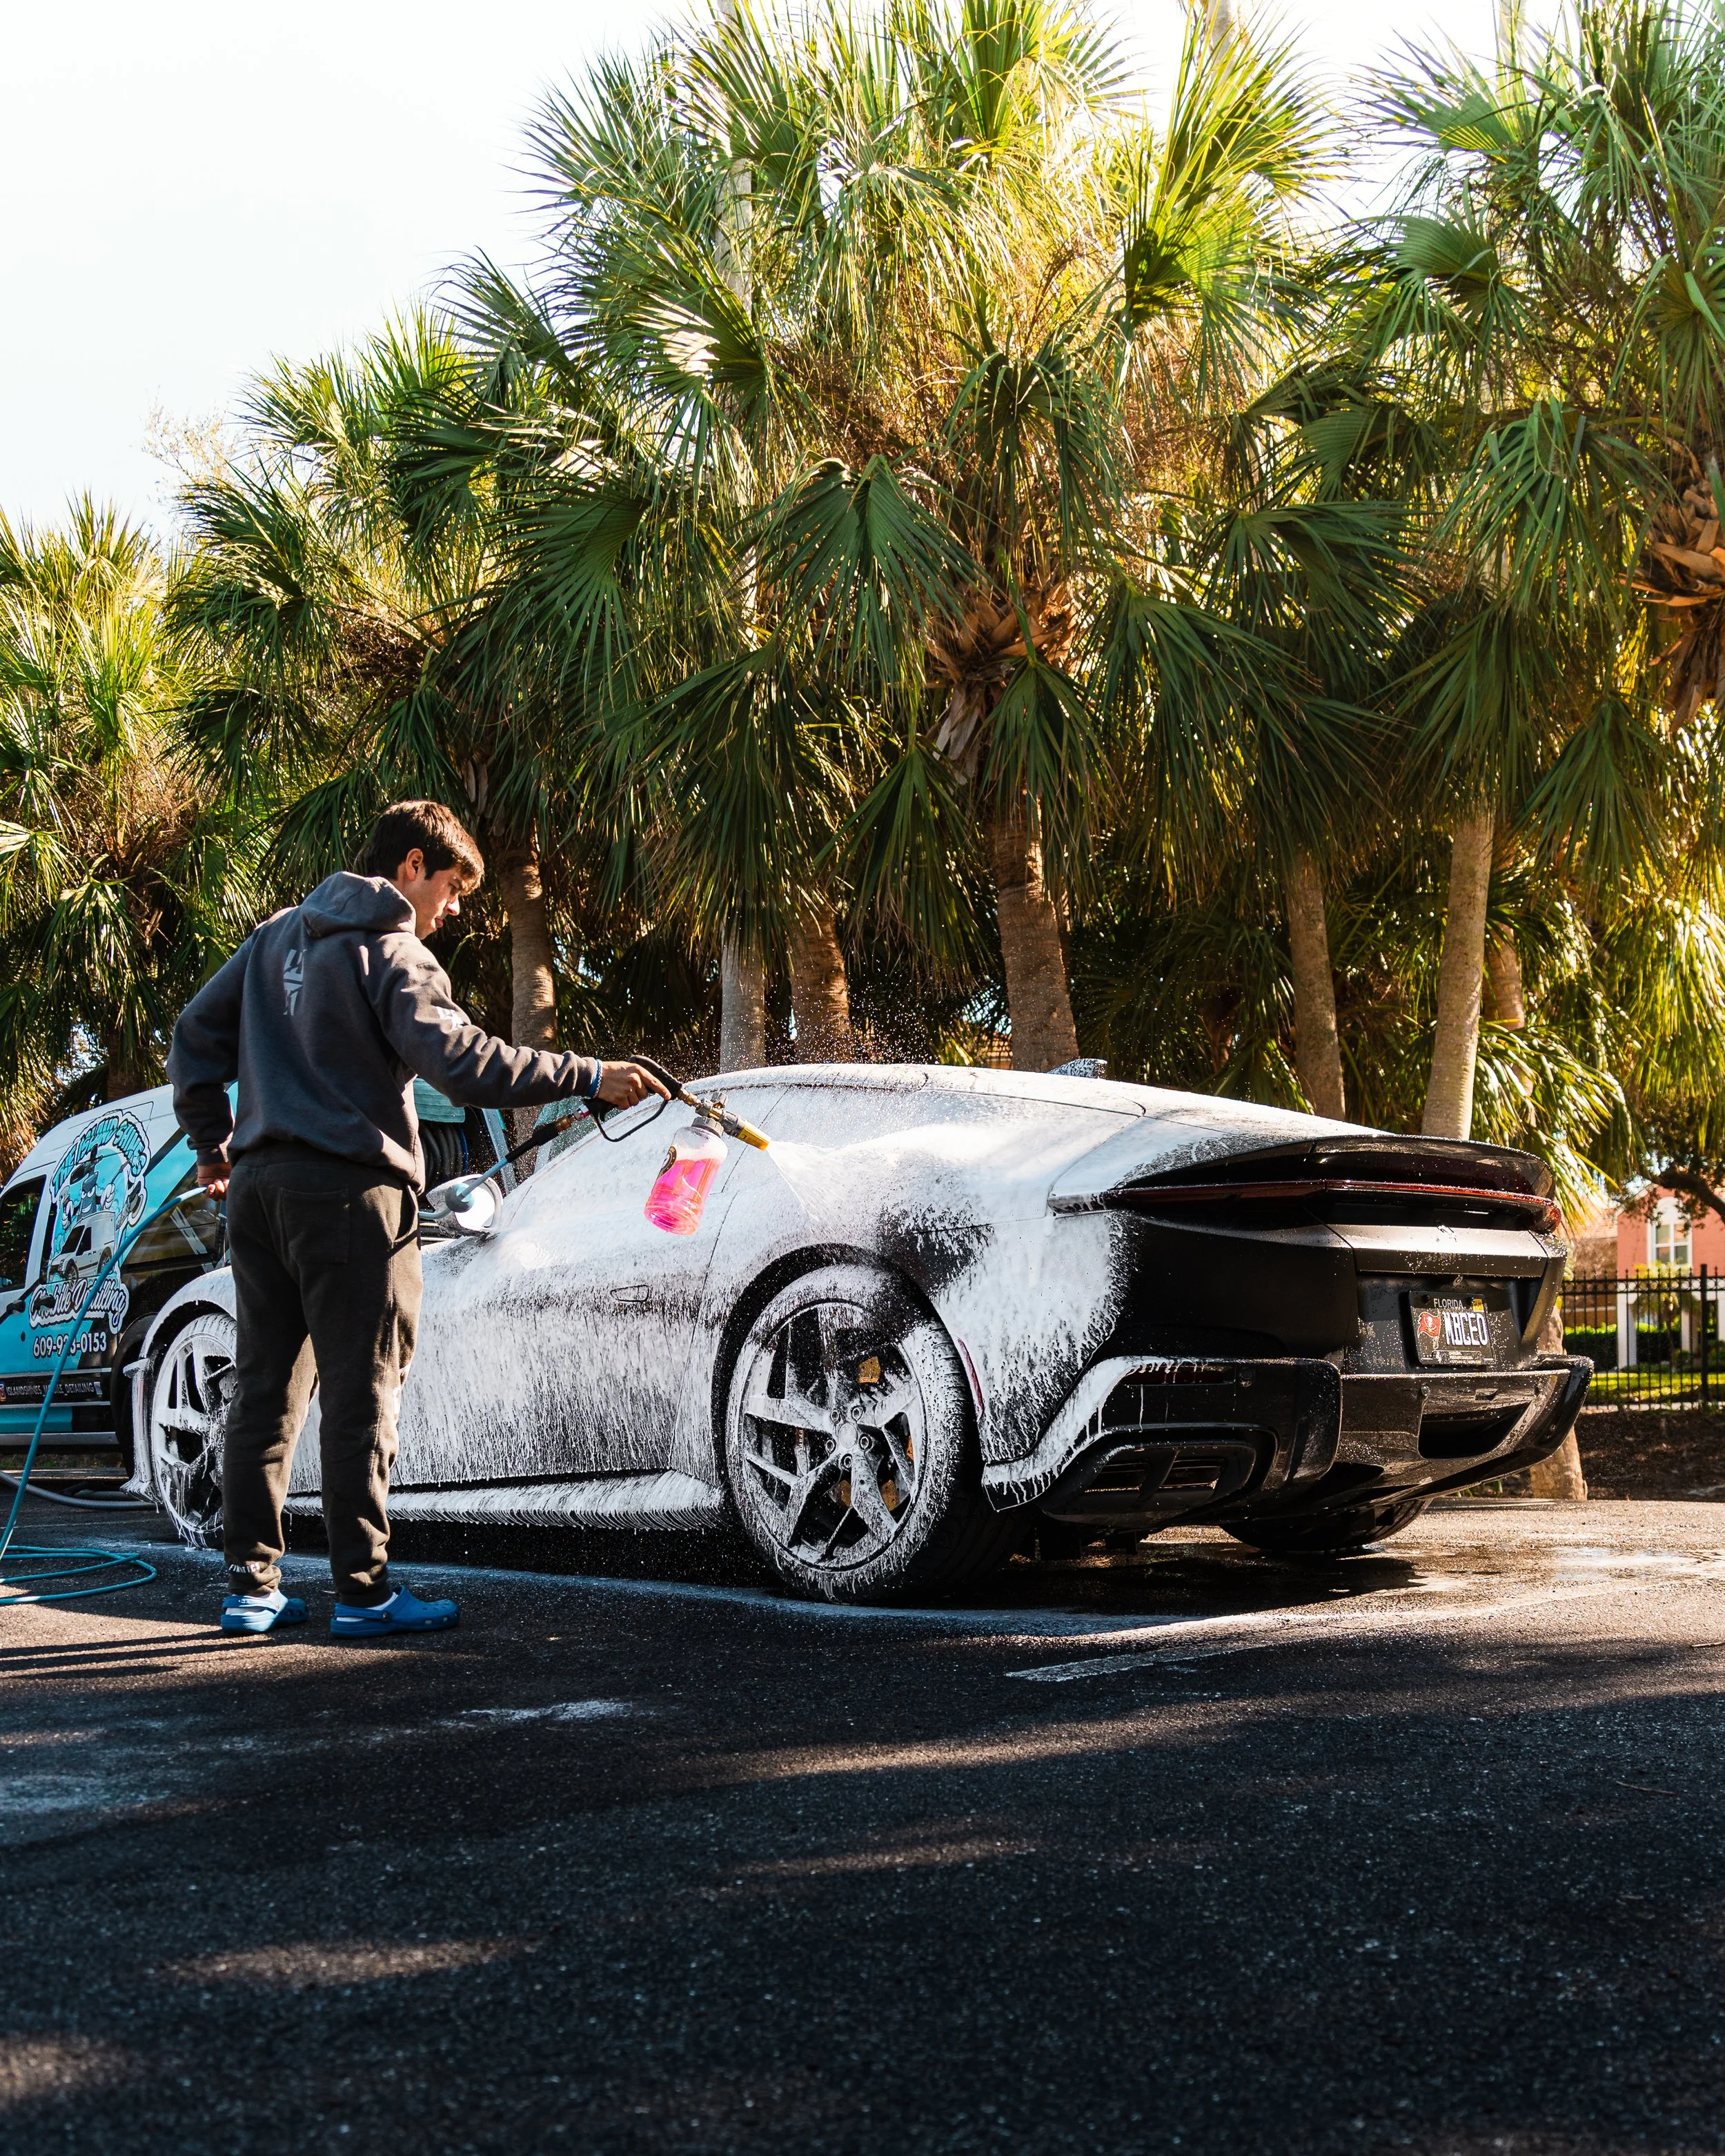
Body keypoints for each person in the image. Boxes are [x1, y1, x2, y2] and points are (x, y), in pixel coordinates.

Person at [166, 800, 669, 1639]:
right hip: (353, 1198)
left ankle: (250, 1588)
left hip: (258, 1192)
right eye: (452, 887)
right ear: (410, 865)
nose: (455, 908)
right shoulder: (391, 951)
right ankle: (363, 1593)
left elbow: (192, 1036)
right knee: (363, 1393)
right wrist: (589, 1074)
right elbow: (463, 1062)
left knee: (263, 1392)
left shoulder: (271, 939)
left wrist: (211, 1148)